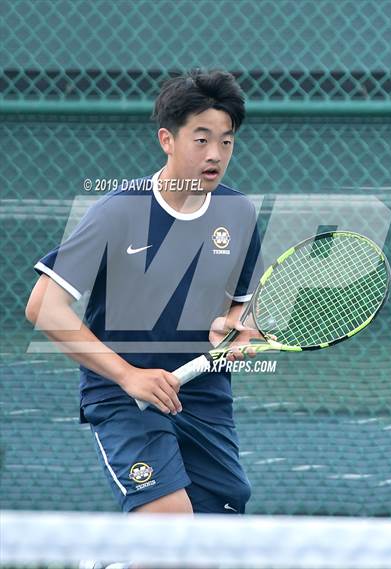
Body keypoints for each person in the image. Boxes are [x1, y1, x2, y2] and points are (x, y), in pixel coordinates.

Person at [26, 69, 263, 516]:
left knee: (212, 548)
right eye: (201, 139)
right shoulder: (119, 211)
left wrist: (236, 331)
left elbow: (239, 311)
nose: (215, 154)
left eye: (226, 141)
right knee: (169, 522)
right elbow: (43, 306)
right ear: (167, 140)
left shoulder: (239, 213)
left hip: (203, 396)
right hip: (124, 396)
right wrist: (128, 375)